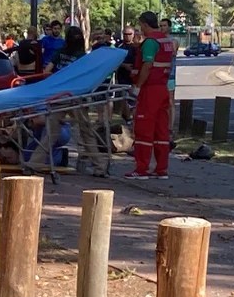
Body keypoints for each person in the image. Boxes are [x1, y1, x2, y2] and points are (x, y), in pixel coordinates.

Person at [32, 26, 107, 177]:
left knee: (51, 133)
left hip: (59, 96)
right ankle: (100, 166)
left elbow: (47, 71)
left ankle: (35, 163)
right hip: (75, 97)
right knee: (86, 132)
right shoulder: (82, 57)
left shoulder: (60, 53)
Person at [125, 12, 175, 180]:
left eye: (141, 25)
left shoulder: (150, 42)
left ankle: (142, 169)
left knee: (144, 129)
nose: (140, 29)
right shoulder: (166, 41)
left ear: (145, 24)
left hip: (150, 90)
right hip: (162, 88)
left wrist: (138, 87)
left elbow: (147, 65)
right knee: (161, 130)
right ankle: (162, 169)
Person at [160, 18, 180, 147]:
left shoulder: (173, 41)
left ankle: (170, 127)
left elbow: (172, 52)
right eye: (160, 25)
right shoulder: (157, 40)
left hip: (170, 74)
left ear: (169, 27)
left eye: (164, 25)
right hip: (160, 75)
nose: (162, 28)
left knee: (170, 101)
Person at [116, 26, 138, 122]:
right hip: (122, 76)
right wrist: (124, 65)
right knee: (123, 97)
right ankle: (127, 117)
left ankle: (133, 118)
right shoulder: (119, 46)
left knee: (134, 98)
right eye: (125, 34)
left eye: (129, 34)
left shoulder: (137, 46)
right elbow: (114, 61)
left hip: (135, 77)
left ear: (133, 34)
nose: (127, 36)